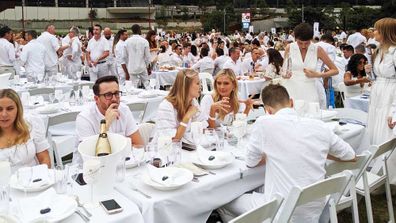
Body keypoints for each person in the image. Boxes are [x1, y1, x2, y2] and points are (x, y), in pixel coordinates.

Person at [219, 84, 356, 222]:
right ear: (291, 102)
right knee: (261, 186)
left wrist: (268, 154)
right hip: (312, 211)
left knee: (224, 201)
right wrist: (317, 150)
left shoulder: (264, 123)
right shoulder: (319, 126)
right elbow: (351, 155)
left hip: (281, 212)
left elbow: (250, 162)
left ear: (268, 110)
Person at [367, 18, 396, 184]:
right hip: (378, 93)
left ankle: (390, 177)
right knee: (376, 130)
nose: (374, 33)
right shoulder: (378, 51)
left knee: (387, 133)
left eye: (377, 30)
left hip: (391, 94)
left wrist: (394, 110)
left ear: (385, 32)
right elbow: (378, 77)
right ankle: (377, 174)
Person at [76, 75, 144, 146]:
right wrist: (106, 124)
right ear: (96, 99)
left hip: (121, 157)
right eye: (108, 95)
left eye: (116, 93)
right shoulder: (85, 118)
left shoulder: (124, 110)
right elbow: (91, 154)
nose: (114, 99)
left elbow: (138, 144)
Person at [282, 23, 338, 107]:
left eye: (307, 43)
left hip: (310, 89)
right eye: (300, 43)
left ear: (311, 39)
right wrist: (285, 74)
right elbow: (284, 69)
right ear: (295, 38)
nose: (303, 46)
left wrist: (319, 74)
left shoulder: (317, 49)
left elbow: (335, 70)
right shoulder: (289, 47)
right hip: (291, 89)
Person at [0, 89, 51, 172]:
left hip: (33, 181)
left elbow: (44, 158)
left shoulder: (31, 124)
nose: (4, 114)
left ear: (18, 109)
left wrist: (41, 178)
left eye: (10, 109)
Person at [155, 69, 206, 143]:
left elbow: (203, 124)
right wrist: (187, 117)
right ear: (186, 86)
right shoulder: (166, 106)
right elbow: (173, 139)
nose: (201, 86)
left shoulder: (193, 102)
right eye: (198, 83)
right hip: (165, 150)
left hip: (185, 147)